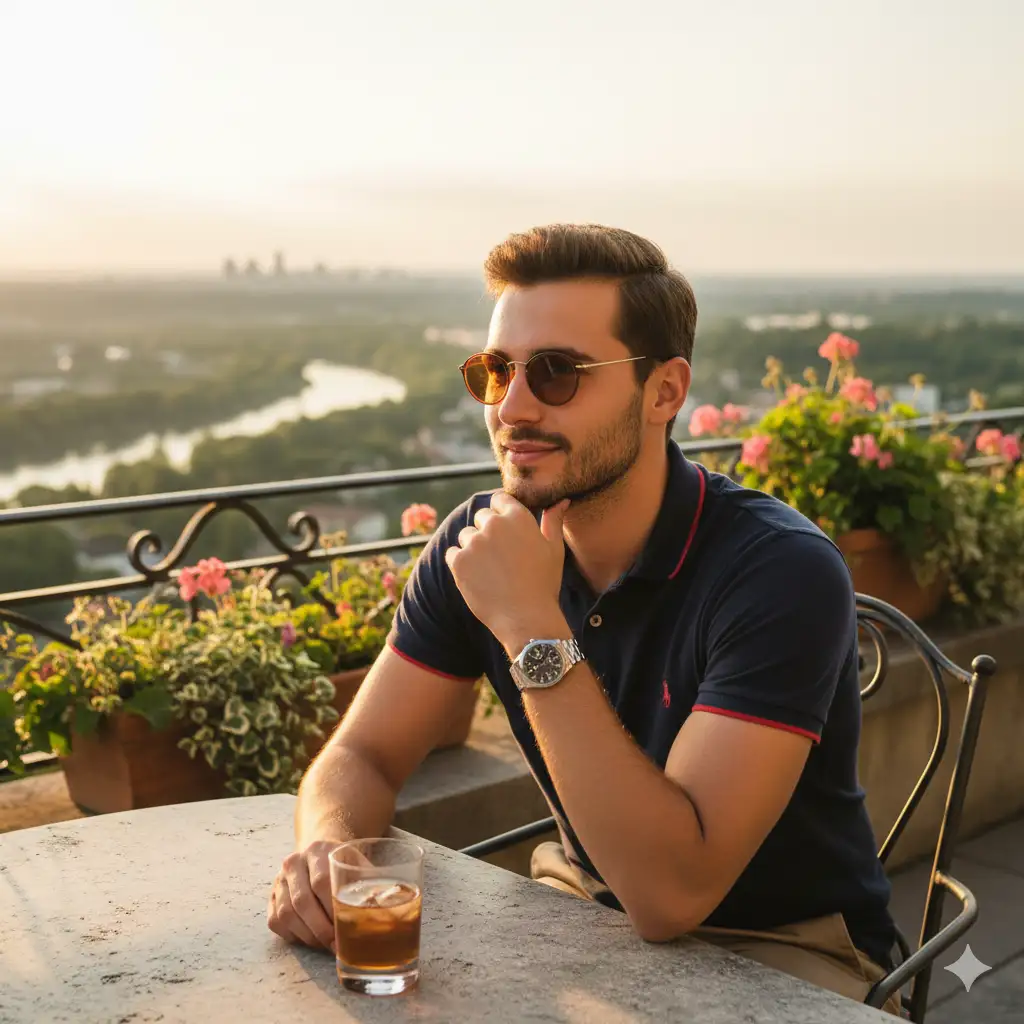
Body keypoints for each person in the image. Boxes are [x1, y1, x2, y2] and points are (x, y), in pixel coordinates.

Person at [267, 223, 901, 1016]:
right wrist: (327, 848)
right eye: (496, 373)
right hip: (580, 914)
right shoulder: (482, 543)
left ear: (664, 392)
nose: (512, 407)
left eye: (558, 372)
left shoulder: (777, 570)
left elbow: (673, 897)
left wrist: (533, 627)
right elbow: (361, 752)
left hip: (788, 950)